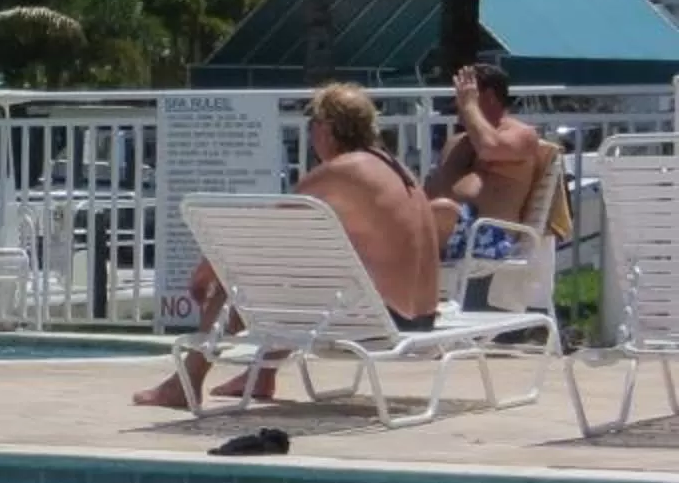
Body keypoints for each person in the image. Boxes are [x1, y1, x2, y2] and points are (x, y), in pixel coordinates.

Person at [136, 82, 440, 409]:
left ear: (326, 129)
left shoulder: (342, 171)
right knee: (299, 274)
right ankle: (261, 374)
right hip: (421, 317)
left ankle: (186, 382)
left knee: (235, 284)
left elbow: (270, 228)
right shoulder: (394, 168)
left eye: (312, 126)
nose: (311, 136)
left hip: (385, 321)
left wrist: (208, 269)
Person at [428, 61, 543, 238]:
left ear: (489, 97)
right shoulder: (456, 142)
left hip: (490, 235)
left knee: (442, 210)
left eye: (465, 94)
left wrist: (469, 106)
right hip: (446, 231)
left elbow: (488, 148)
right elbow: (433, 188)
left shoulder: (522, 134)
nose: (458, 103)